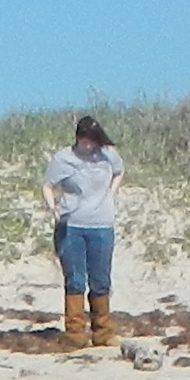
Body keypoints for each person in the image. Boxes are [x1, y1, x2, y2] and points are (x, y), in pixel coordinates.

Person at [43, 113, 132, 360]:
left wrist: (109, 195)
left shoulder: (108, 155)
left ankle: (102, 332)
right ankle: (74, 333)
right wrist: (54, 209)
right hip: (71, 226)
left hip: (102, 226)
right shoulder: (63, 159)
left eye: (92, 140)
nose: (89, 145)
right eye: (85, 140)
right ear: (78, 138)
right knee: (75, 280)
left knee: (101, 279)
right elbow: (48, 185)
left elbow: (119, 171)